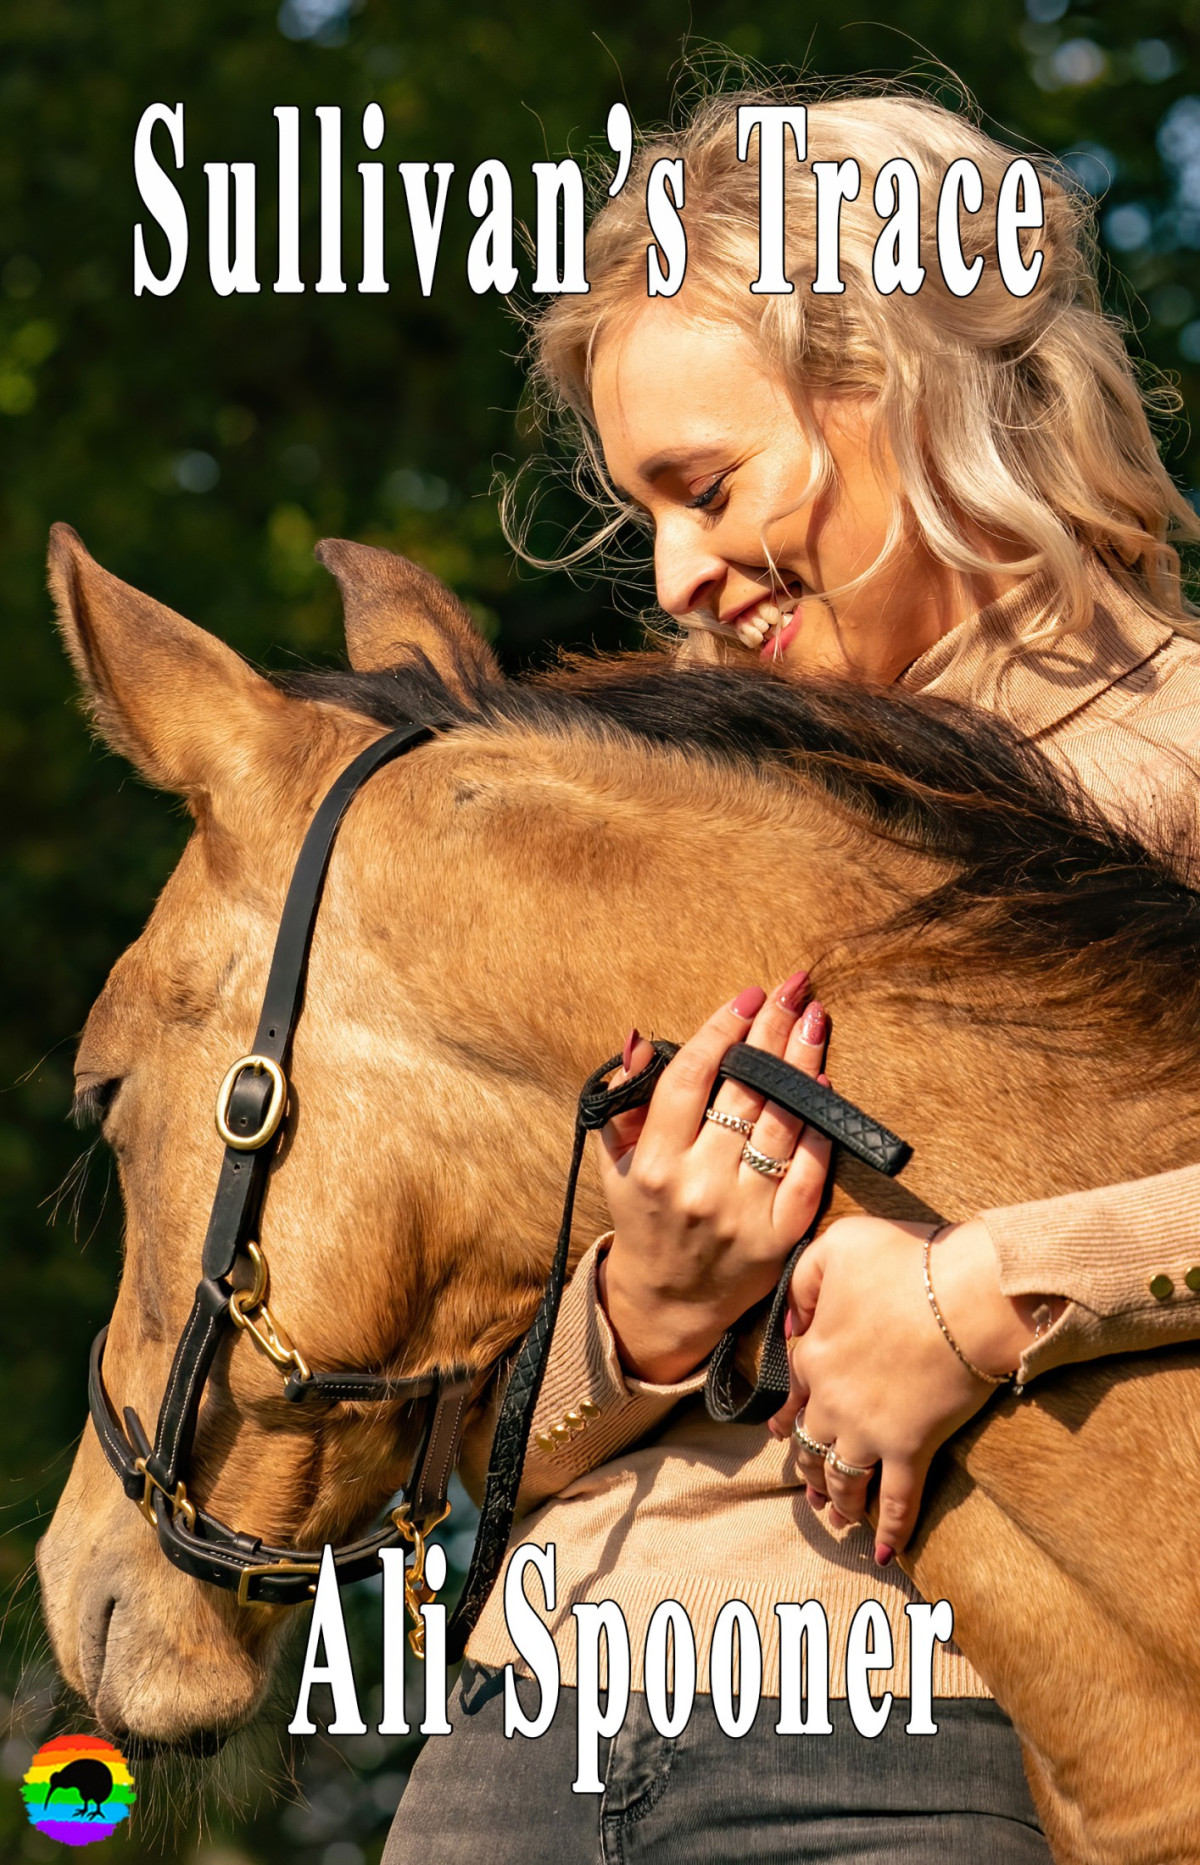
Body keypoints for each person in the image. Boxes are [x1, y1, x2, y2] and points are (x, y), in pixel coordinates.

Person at [385, 82, 1200, 1863]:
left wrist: (988, 1292)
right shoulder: (675, 812)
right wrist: (640, 1314)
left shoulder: (1185, 747)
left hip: (930, 1734)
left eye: (707, 486)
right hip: (528, 1714)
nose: (676, 572)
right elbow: (443, 1429)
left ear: (904, 384)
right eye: (643, 511)